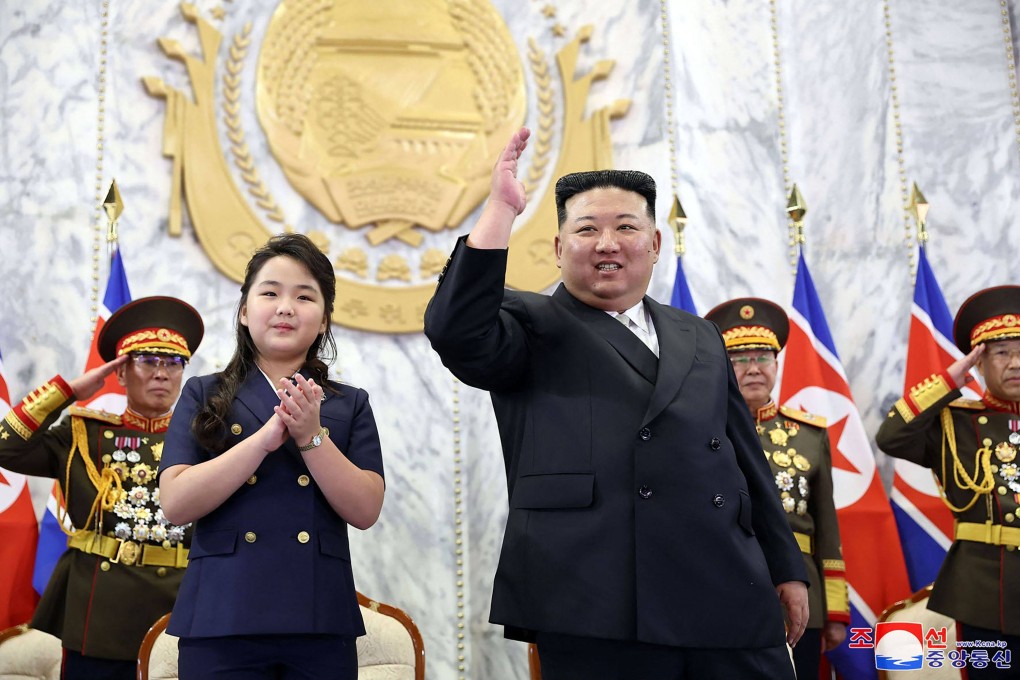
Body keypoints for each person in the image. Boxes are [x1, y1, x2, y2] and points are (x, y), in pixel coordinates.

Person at [424, 127, 808, 680]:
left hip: (725, 584)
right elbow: (455, 330)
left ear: (654, 244)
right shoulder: (527, 322)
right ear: (559, 249)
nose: (608, 243)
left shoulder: (699, 334)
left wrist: (785, 566)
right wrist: (501, 211)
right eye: (587, 229)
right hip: (592, 595)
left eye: (627, 227)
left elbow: (745, 458)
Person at [158, 232, 385, 679]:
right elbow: (176, 503)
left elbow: (365, 509)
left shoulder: (348, 403)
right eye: (270, 293)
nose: (285, 307)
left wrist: (309, 435)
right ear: (244, 312)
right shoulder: (204, 393)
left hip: (318, 617)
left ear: (323, 321)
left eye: (304, 296)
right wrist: (263, 440)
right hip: (221, 615)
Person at [0, 296, 203, 680]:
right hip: (100, 612)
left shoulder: (206, 441)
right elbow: (6, 447)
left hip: (181, 607)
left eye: (173, 362)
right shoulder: (83, 435)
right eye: (147, 361)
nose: (162, 372)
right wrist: (67, 391)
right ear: (121, 372)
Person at [876, 285, 1020, 679]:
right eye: (1001, 352)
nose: (1015, 362)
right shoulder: (954, 421)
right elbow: (891, 438)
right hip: (983, 593)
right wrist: (949, 379)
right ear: (979, 361)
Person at [705, 297, 849, 678]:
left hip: (801, 591)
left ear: (777, 364)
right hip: (724, 585)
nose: (753, 368)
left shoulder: (809, 434)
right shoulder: (703, 431)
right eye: (740, 358)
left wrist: (834, 610)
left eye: (762, 357)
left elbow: (827, 526)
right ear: (722, 366)